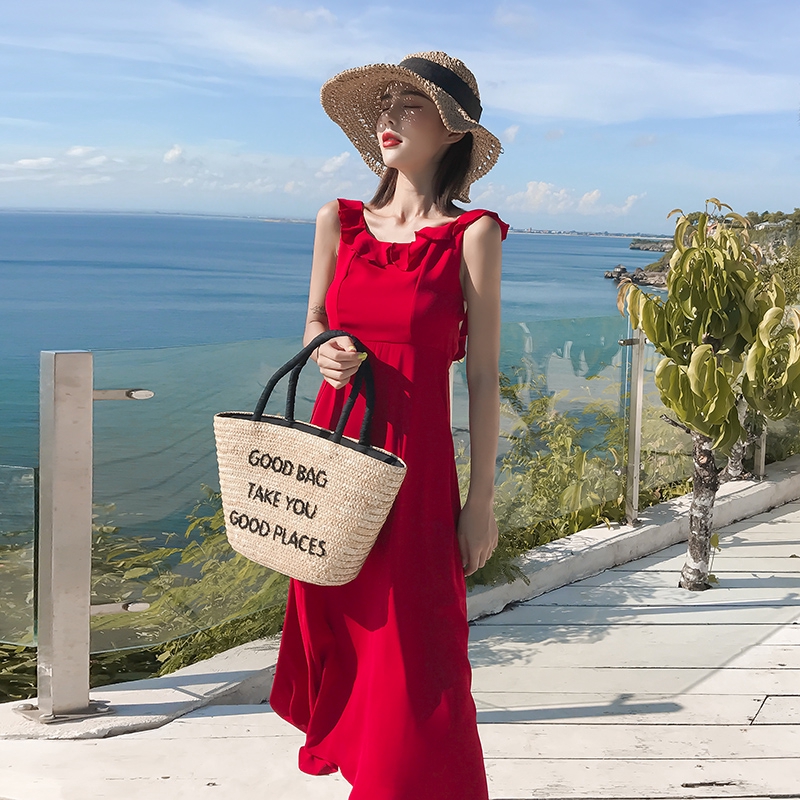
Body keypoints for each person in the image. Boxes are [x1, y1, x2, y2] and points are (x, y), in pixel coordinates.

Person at [269, 51, 508, 800]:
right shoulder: (338, 221)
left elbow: (481, 376)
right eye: (385, 104)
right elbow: (313, 321)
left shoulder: (472, 236)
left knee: (417, 651)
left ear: (450, 130)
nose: (388, 117)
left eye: (409, 104)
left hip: (416, 468)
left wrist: (480, 504)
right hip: (334, 458)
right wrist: (326, 347)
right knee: (344, 633)